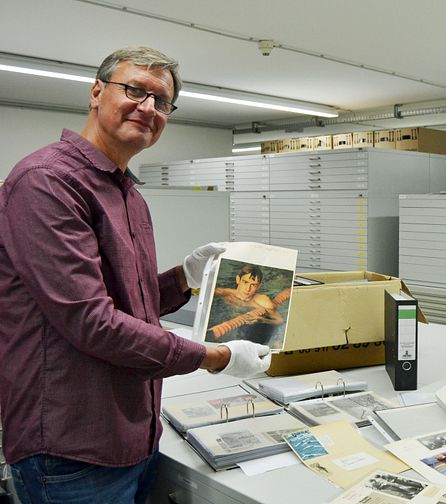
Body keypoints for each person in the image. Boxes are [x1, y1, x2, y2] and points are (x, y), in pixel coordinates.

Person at [0, 46, 271, 504]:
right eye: (135, 90)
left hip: (134, 438)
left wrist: (183, 278)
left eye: (161, 101)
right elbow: (93, 323)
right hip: (72, 451)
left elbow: (131, 303)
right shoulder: (47, 182)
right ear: (96, 91)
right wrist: (215, 355)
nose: (147, 108)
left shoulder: (127, 194)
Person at [206, 263, 286, 345]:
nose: (248, 289)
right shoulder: (224, 293)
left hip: (255, 329)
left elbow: (280, 320)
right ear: (238, 279)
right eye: (245, 282)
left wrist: (263, 320)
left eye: (253, 285)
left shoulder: (263, 302)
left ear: (259, 287)